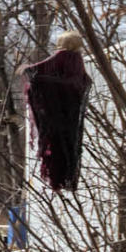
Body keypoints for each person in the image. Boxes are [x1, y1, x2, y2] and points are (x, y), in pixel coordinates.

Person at [22, 29, 93, 191]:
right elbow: (79, 82)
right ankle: (69, 178)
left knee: (55, 146)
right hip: (72, 114)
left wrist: (30, 74)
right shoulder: (78, 60)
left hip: (57, 113)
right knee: (71, 146)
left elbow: (35, 70)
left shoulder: (62, 56)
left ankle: (58, 180)